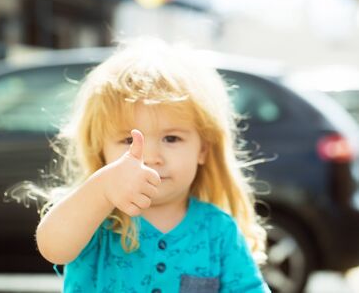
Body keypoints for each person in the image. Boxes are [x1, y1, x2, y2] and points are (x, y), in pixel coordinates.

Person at [35, 37, 270, 292]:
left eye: (171, 138)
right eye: (128, 140)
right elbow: (53, 247)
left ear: (202, 150)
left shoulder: (218, 230)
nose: (151, 157)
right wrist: (101, 189)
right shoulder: (96, 219)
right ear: (100, 150)